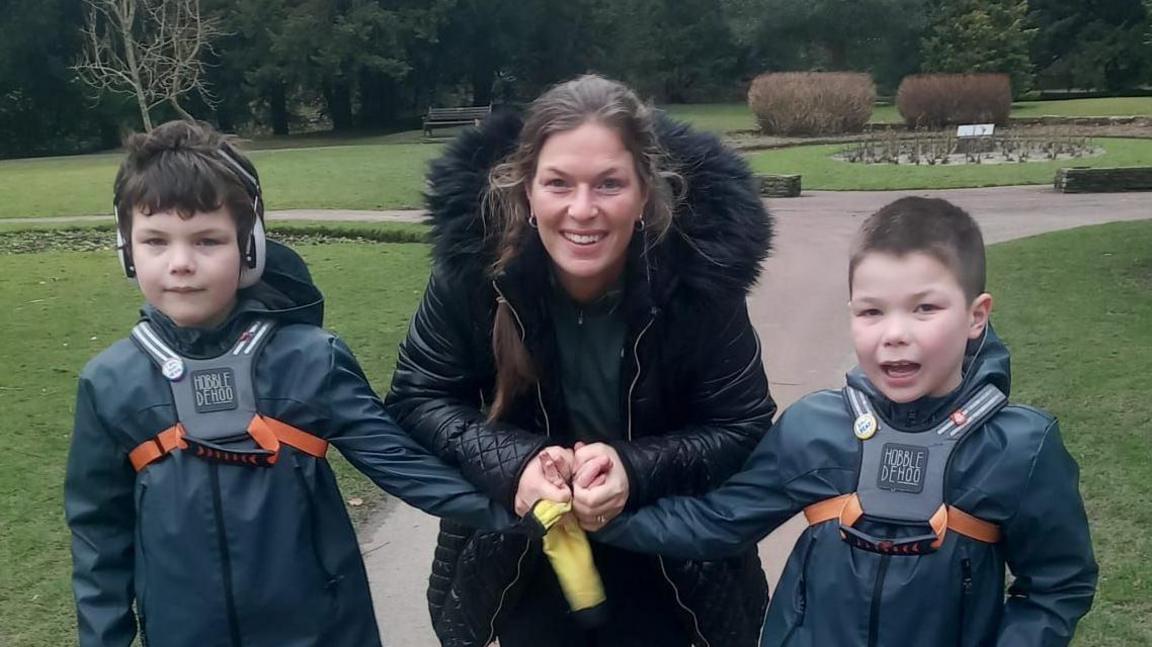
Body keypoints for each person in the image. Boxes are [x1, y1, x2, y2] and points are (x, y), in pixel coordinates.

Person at [63, 120, 524, 647]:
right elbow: (100, 540)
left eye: (208, 240)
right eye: (155, 242)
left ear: (251, 247)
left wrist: (517, 506)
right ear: (127, 250)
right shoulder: (109, 385)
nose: (181, 264)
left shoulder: (312, 361)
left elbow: (406, 466)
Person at [596, 197, 1099, 646]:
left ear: (976, 315)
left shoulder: (1021, 449)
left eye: (925, 308)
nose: (894, 334)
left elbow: (1059, 584)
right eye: (872, 312)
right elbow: (719, 522)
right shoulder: (815, 428)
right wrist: (606, 518)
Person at [385, 74, 777, 646]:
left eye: (609, 184)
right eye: (559, 184)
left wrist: (632, 469)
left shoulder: (701, 280)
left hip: (671, 560)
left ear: (645, 192)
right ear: (526, 190)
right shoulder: (470, 276)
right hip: (524, 558)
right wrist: (516, 464)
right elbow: (417, 398)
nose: (582, 210)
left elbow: (742, 424)